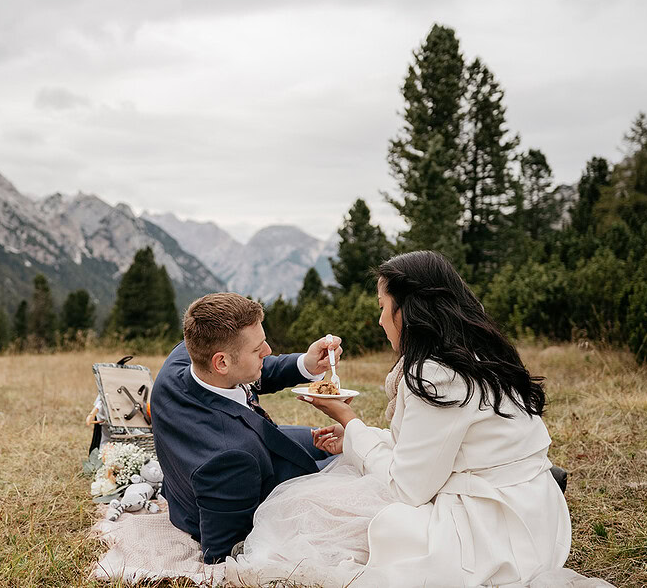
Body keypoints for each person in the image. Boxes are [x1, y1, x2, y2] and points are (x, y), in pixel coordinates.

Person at [230, 251, 574, 587]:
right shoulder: (471, 350)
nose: (380, 320)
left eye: (382, 307)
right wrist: (353, 437)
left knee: (319, 510)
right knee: (336, 492)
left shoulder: (437, 373)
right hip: (534, 509)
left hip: (495, 532)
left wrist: (349, 421)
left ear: (408, 311)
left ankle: (267, 554)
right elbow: (429, 446)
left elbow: (406, 489)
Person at [150, 292, 343, 564]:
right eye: (258, 349)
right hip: (248, 482)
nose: (268, 351)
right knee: (347, 465)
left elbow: (256, 372)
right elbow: (221, 552)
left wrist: (307, 365)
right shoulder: (228, 458)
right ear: (222, 363)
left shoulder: (186, 359)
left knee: (339, 440)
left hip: (250, 440)